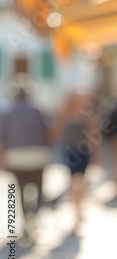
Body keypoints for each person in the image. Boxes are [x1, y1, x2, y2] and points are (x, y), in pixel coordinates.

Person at [0, 87, 52, 244]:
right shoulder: (37, 110)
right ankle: (35, 216)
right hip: (38, 155)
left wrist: (3, 158)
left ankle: (26, 222)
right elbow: (48, 132)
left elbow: (2, 138)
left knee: (20, 191)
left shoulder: (7, 112)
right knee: (39, 188)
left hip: (17, 158)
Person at [52, 90, 100, 225]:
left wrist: (96, 155)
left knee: (81, 182)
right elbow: (56, 133)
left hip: (83, 152)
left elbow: (94, 136)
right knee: (73, 181)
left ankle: (79, 208)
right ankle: (75, 209)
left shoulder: (88, 115)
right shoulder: (65, 115)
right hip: (70, 152)